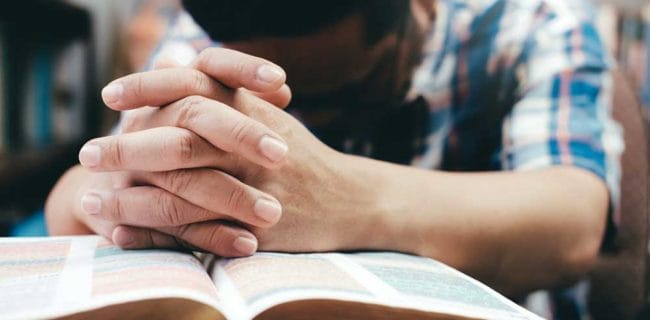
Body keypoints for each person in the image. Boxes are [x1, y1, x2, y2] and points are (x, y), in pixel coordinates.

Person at [45, 0, 623, 311]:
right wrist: (117, 187)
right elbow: (71, 202)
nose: (307, 121)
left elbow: (573, 223)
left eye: (348, 87)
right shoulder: (202, 45)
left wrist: (336, 193)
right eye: (282, 96)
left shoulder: (534, 23)